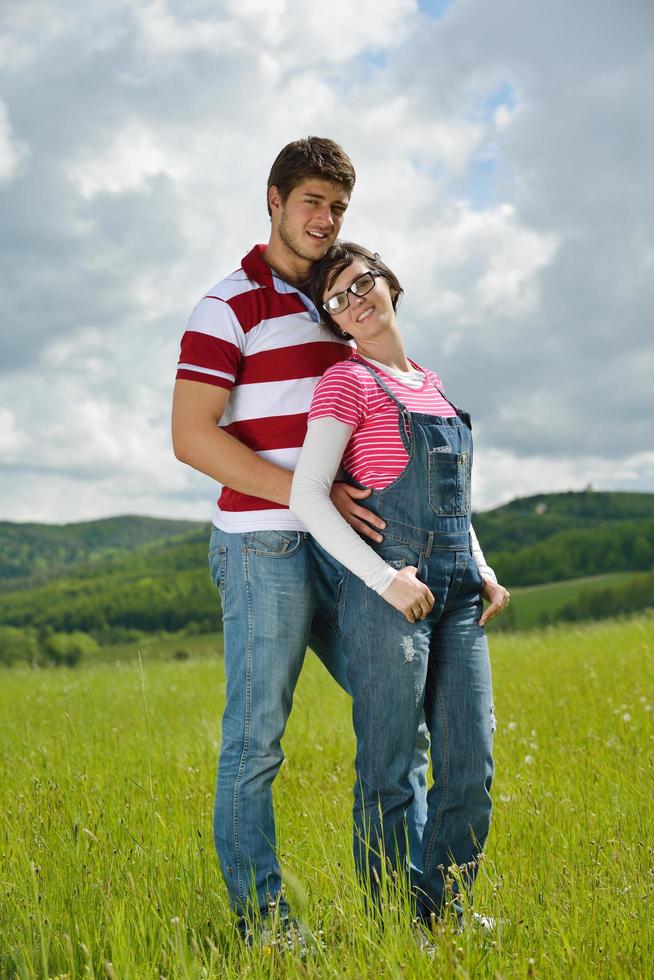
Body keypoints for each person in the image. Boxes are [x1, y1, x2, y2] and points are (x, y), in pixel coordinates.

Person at [171, 138, 432, 945]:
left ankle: (410, 914)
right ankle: (265, 924)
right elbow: (190, 437)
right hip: (262, 548)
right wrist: (306, 496)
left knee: (402, 720)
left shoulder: (333, 307)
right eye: (313, 202)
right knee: (257, 742)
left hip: (350, 553)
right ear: (275, 200)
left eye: (340, 208)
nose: (326, 220)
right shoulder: (227, 305)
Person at [290, 242, 510, 931]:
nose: (356, 300)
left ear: (389, 284)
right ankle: (394, 931)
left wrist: (483, 566)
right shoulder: (346, 383)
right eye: (338, 300)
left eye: (362, 283)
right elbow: (307, 495)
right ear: (336, 323)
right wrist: (383, 580)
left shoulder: (434, 383)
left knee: (470, 766)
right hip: (390, 590)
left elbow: (456, 501)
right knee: (391, 768)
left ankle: (439, 915)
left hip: (457, 591)